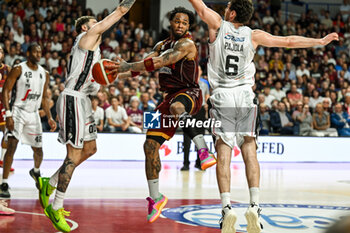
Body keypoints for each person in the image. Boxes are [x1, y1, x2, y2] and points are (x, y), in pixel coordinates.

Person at [187, 0, 338, 232]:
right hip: (246, 96)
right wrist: (319, 41)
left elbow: (198, 6)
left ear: (232, 12)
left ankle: (227, 208)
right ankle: (255, 205)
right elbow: (288, 42)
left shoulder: (217, 25)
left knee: (223, 152)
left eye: (227, 6)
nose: (224, 9)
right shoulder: (253, 35)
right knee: (250, 150)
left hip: (222, 98)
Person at [109, 7, 217, 223]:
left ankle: (204, 151)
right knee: (149, 147)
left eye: (184, 23)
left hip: (189, 92)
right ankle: (155, 197)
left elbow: (158, 63)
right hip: (168, 98)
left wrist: (127, 64)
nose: (180, 25)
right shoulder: (160, 45)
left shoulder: (187, 44)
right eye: (177, 21)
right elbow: (144, 66)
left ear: (189, 27)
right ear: (171, 22)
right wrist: (116, 74)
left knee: (178, 108)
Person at [37, 1, 136, 232]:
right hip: (72, 99)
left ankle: (49, 183)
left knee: (90, 150)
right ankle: (56, 206)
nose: (98, 26)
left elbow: (106, 78)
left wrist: (135, 68)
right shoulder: (86, 39)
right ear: (85, 29)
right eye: (94, 23)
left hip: (83, 102)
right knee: (73, 155)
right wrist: (125, 6)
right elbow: (120, 12)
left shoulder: (95, 54)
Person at [0, 43, 56, 199]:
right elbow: (6, 91)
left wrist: (50, 117)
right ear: (28, 53)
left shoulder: (44, 73)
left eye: (40, 52)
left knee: (38, 149)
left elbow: (45, 97)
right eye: (35, 51)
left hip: (33, 115)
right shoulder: (19, 69)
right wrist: (8, 114)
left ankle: (36, 171)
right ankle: (4, 183)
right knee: (11, 146)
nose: (38, 54)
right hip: (18, 112)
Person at [0, 45, 13, 172]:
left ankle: (2, 160)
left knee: (6, 134)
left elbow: (12, 87)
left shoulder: (7, 69)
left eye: (1, 51)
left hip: (3, 105)